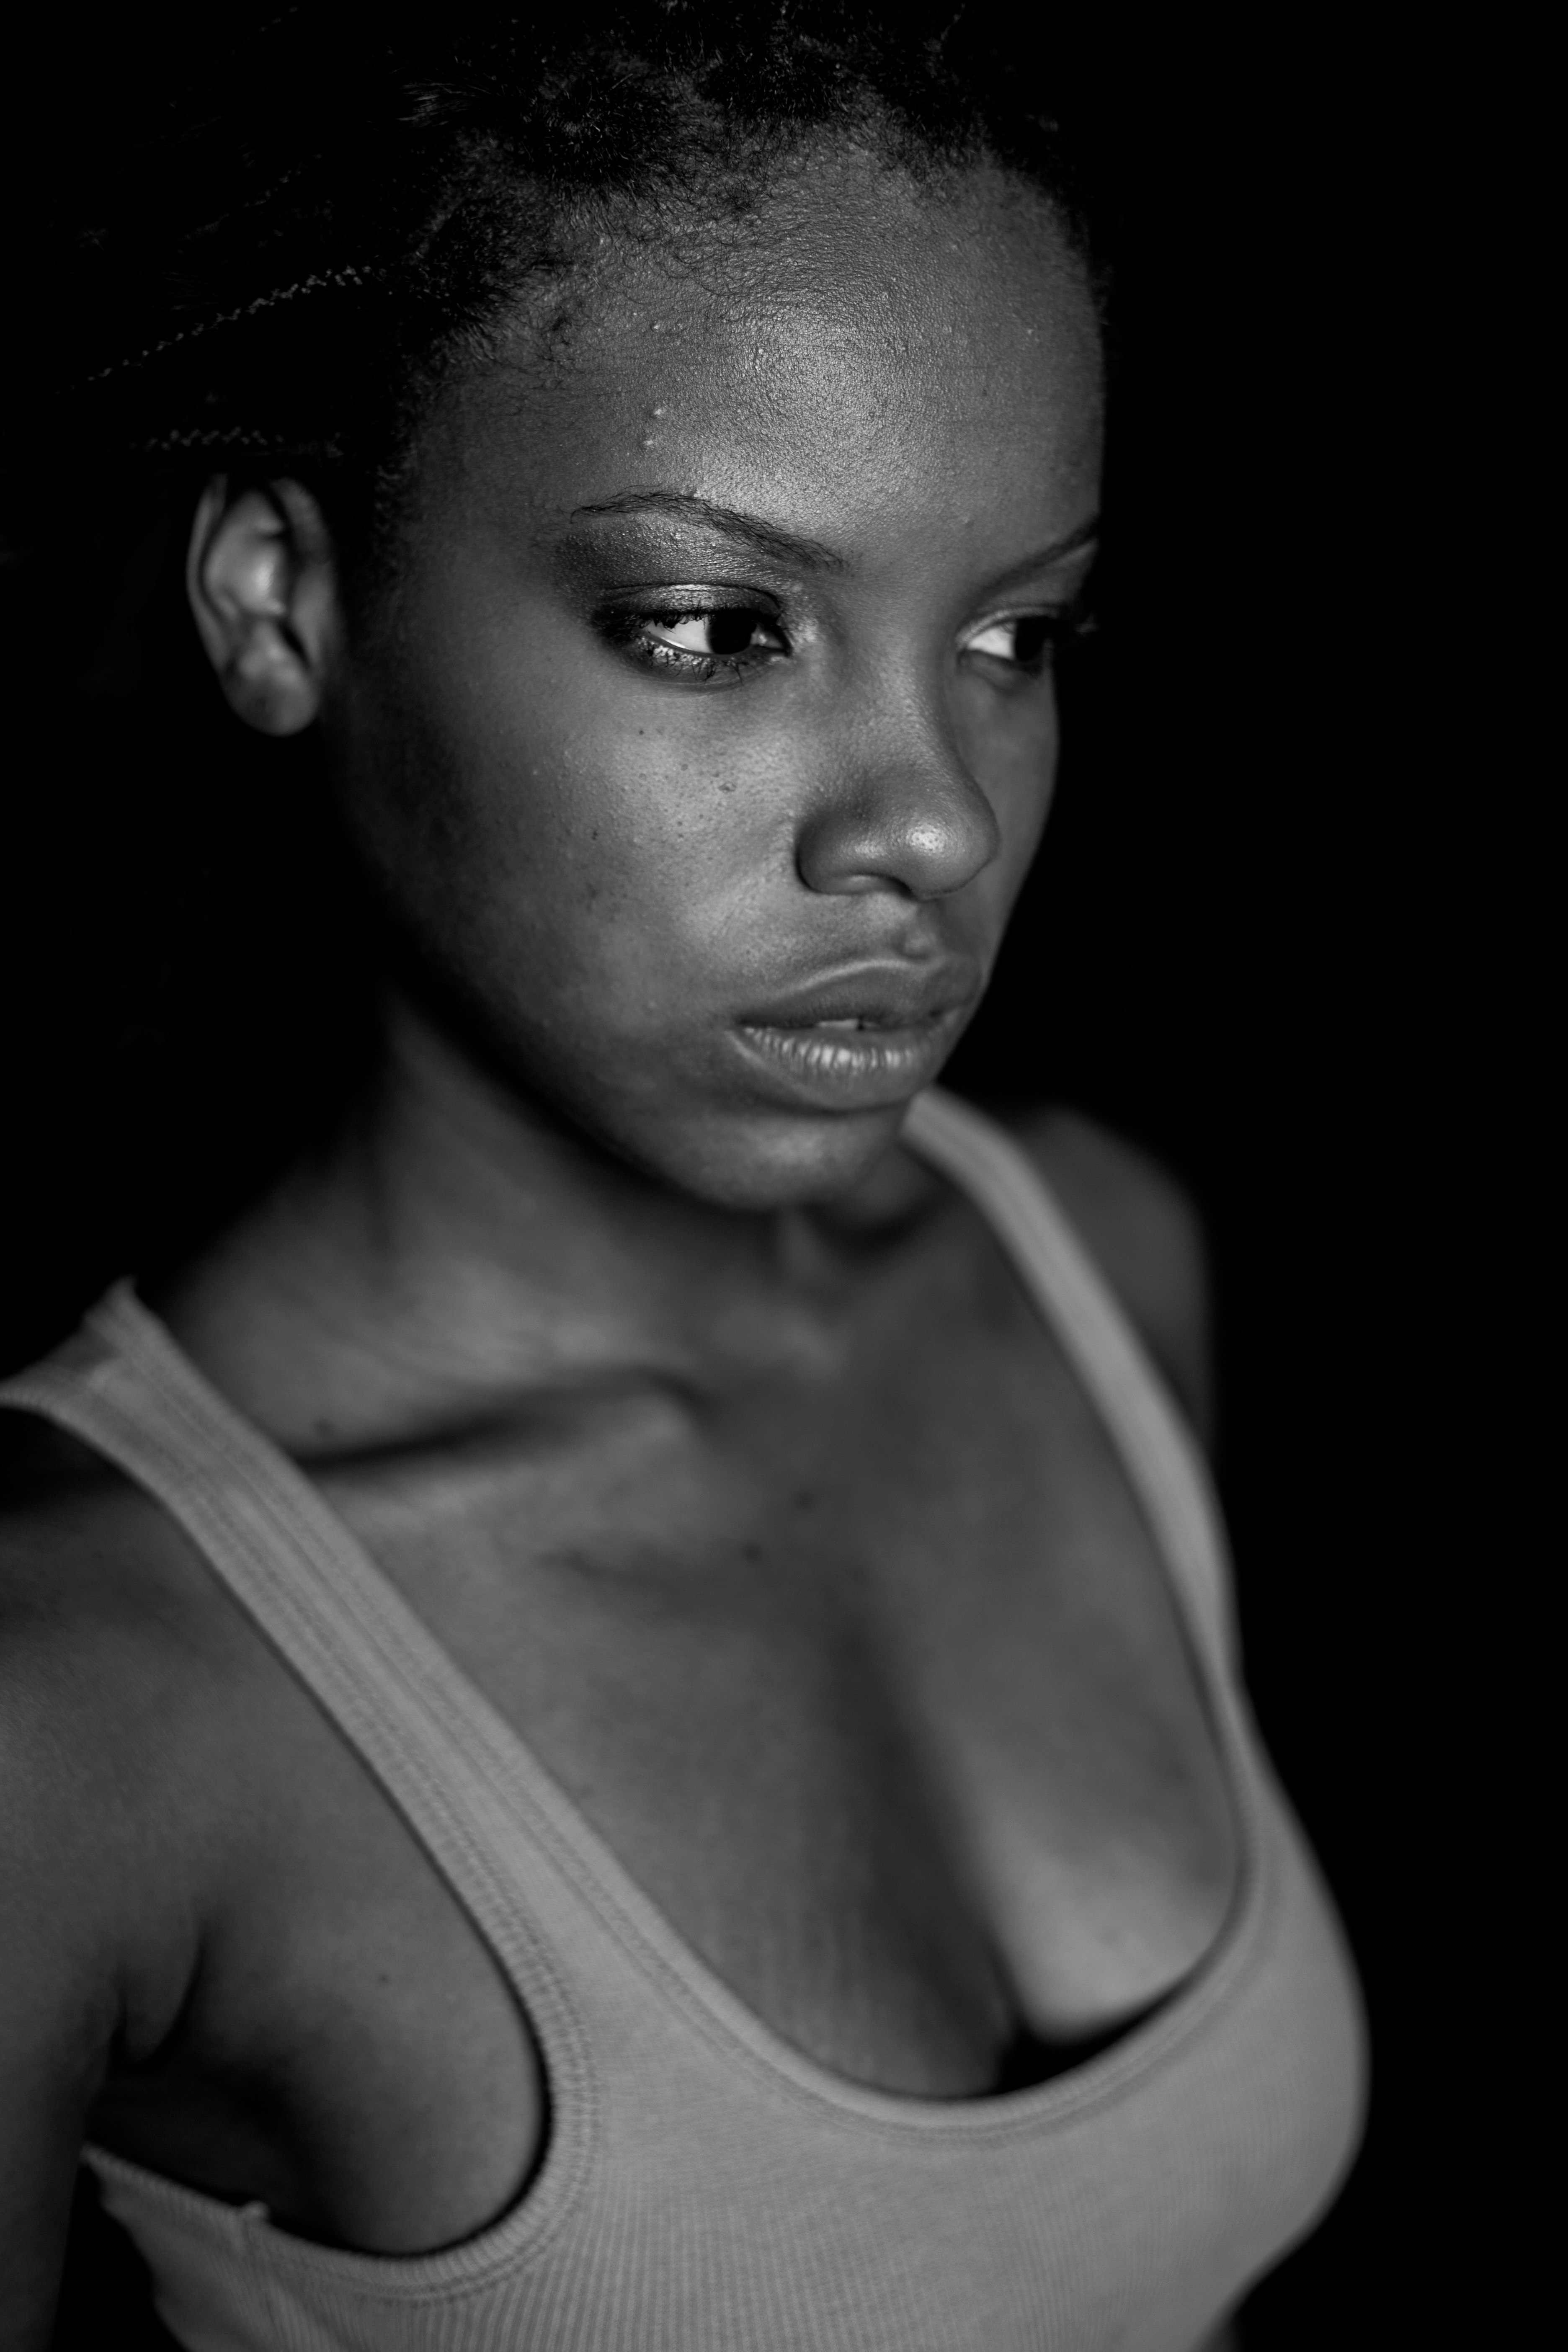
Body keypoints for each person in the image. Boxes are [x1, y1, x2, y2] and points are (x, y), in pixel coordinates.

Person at [0, 10, 1366, 2347]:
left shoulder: (1087, 1269)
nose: (931, 825)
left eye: (1019, 637)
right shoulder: (79, 1708)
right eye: (721, 629)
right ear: (282, 604)